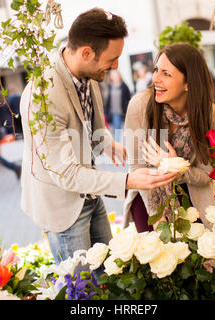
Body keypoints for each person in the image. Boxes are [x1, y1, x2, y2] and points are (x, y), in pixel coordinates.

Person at [19, 8, 179, 272]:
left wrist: (107, 143)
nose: (116, 65)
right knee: (81, 289)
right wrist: (128, 180)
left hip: (90, 193)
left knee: (109, 274)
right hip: (62, 207)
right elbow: (68, 174)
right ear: (86, 53)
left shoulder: (90, 74)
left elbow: (91, 127)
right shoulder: (45, 96)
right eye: (113, 58)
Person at [123, 43, 215, 232]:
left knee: (200, 256)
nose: (156, 79)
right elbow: (137, 168)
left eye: (166, 74)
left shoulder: (211, 116)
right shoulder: (139, 106)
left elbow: (207, 174)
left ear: (188, 83)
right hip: (147, 194)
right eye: (156, 70)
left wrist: (176, 167)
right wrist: (158, 217)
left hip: (190, 193)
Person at [104, 70, 131, 138]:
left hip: (120, 112)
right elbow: (107, 101)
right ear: (111, 77)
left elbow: (128, 98)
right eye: (113, 75)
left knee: (118, 131)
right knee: (113, 131)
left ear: (119, 76)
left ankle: (118, 144)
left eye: (116, 75)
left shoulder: (124, 86)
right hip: (111, 112)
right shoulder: (109, 87)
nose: (115, 77)